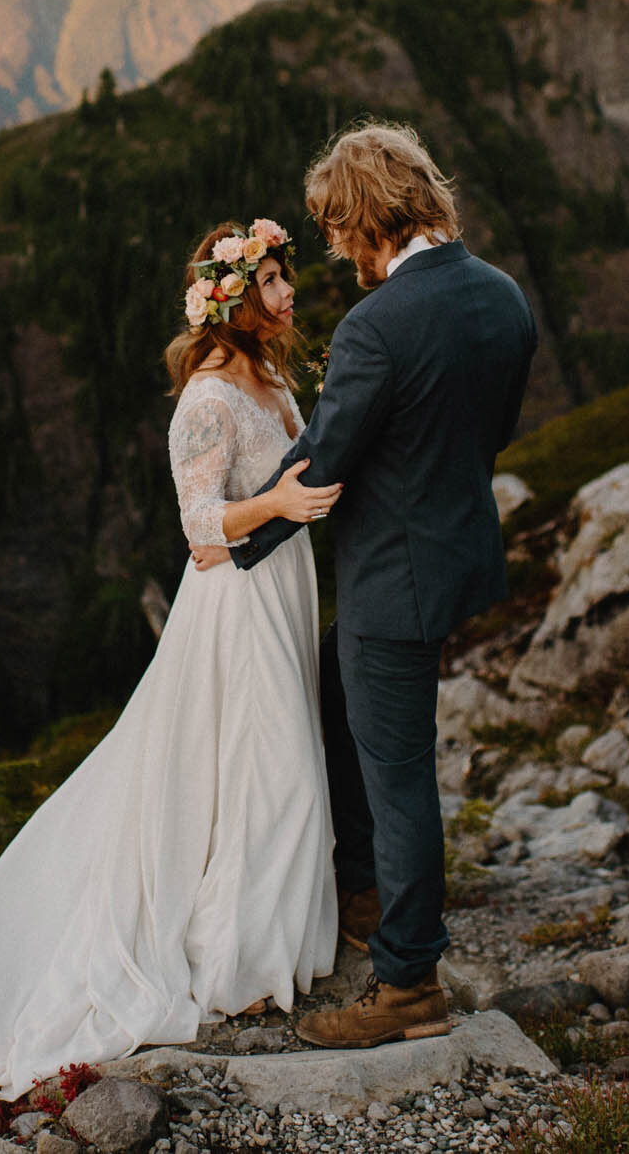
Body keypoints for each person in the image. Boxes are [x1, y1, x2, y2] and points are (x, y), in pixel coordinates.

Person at [0, 218, 343, 1099]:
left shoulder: (271, 378)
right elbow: (198, 532)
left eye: (283, 276)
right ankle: (240, 959)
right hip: (238, 605)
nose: (288, 291)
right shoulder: (207, 400)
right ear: (230, 301)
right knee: (280, 773)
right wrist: (278, 503)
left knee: (262, 771)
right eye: (270, 279)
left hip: (286, 587)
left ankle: (271, 939)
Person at [209, 120, 537, 1050]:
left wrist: (226, 541)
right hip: (453, 556)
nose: (333, 248)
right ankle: (362, 890)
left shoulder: (377, 326)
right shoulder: (503, 296)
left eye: (335, 229)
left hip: (392, 577)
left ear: (365, 221)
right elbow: (492, 428)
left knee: (399, 776)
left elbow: (319, 466)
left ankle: (407, 981)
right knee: (334, 699)